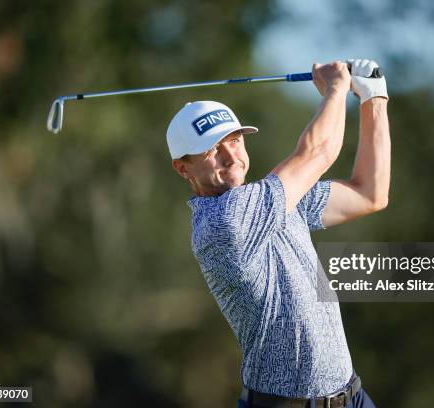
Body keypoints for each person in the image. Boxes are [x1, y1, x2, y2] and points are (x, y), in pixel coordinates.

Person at [167, 59, 390, 408]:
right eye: (213, 150)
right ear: (183, 168)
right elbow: (318, 152)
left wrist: (374, 98)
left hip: (352, 396)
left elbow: (370, 193)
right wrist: (336, 87)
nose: (231, 156)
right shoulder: (224, 221)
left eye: (235, 140)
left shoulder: (275, 202)